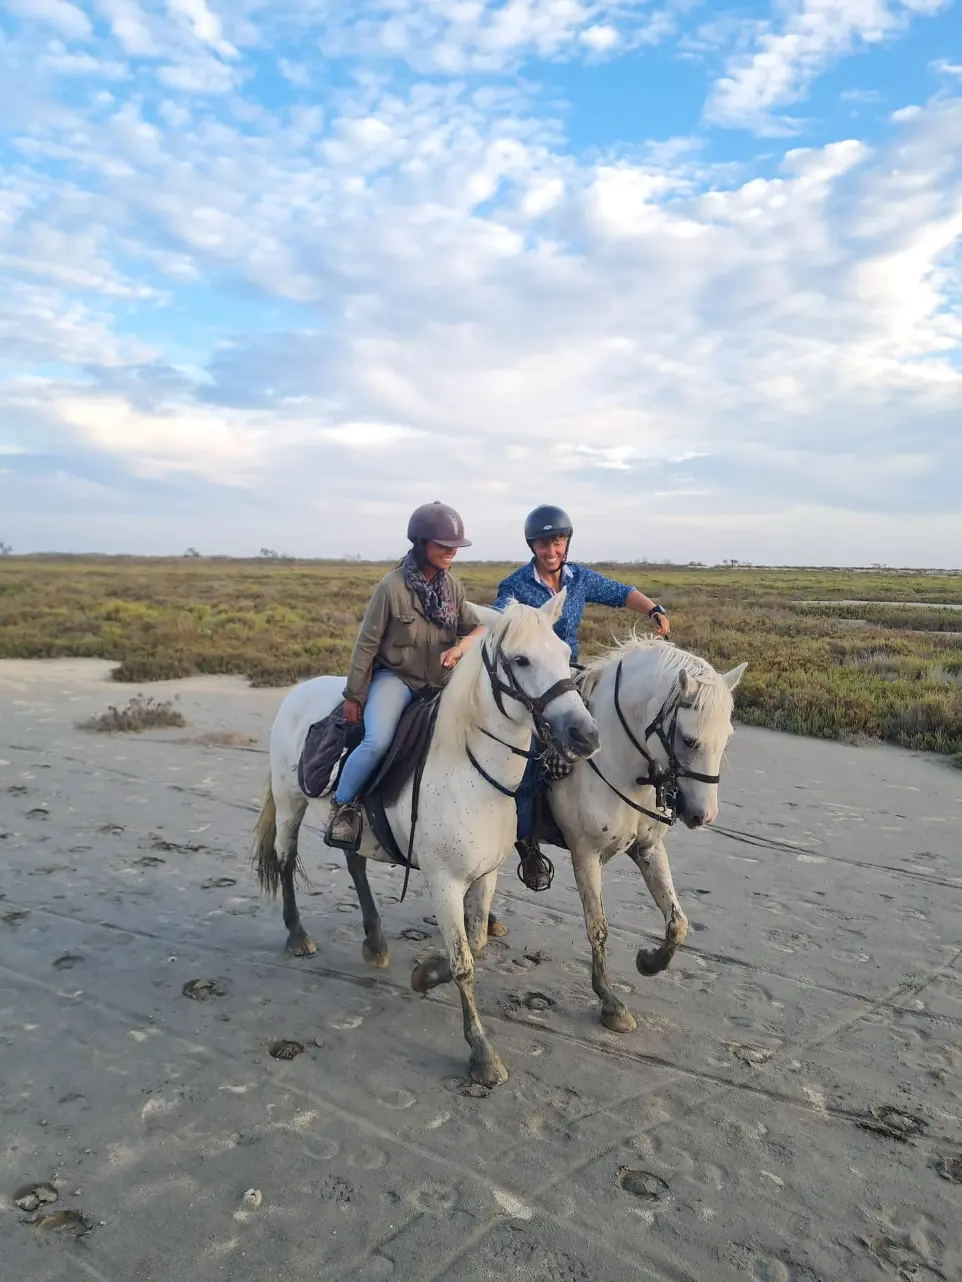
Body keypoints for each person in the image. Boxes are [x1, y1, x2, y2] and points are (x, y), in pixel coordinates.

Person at [493, 504, 671, 889]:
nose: (551, 549)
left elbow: (621, 593)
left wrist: (653, 608)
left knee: (615, 726)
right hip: (537, 684)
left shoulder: (579, 579)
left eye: (557, 541)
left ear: (566, 542)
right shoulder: (514, 586)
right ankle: (529, 846)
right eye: (543, 543)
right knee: (527, 767)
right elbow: (498, 626)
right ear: (532, 546)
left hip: (571, 674)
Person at [326, 502, 484, 848]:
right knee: (376, 742)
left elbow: (478, 628)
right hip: (397, 679)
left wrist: (459, 649)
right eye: (443, 545)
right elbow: (366, 644)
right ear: (421, 543)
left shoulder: (452, 588)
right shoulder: (391, 587)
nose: (451, 552)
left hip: (439, 684)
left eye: (454, 546)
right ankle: (342, 805)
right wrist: (354, 695)